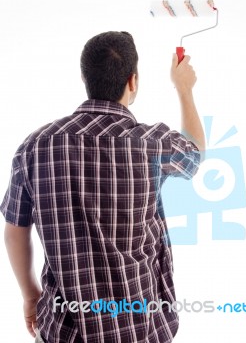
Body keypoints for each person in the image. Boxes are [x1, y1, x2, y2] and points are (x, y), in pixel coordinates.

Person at [0, 31, 205, 343]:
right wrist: (184, 89)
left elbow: (15, 231)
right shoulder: (151, 143)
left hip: (64, 329)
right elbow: (195, 153)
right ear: (132, 81)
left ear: (85, 78)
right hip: (141, 328)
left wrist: (30, 296)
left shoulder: (35, 145)